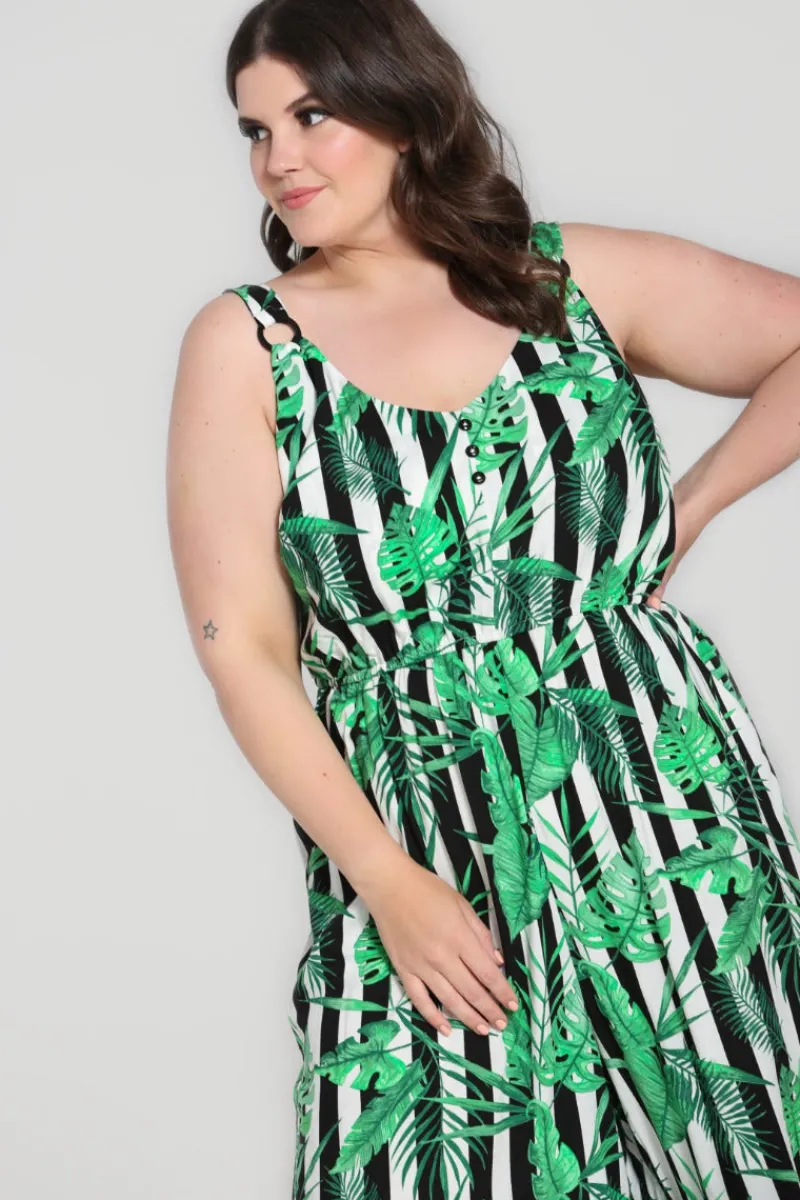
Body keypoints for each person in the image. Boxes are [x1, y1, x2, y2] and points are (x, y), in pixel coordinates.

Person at [166, 0, 800, 1196]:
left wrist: (690, 505)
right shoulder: (248, 344)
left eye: (311, 114)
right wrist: (384, 881)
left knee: (744, 1153)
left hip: (655, 814)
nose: (278, 157)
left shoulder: (565, 279)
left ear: (404, 106)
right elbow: (240, 649)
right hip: (422, 850)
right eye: (253, 130)